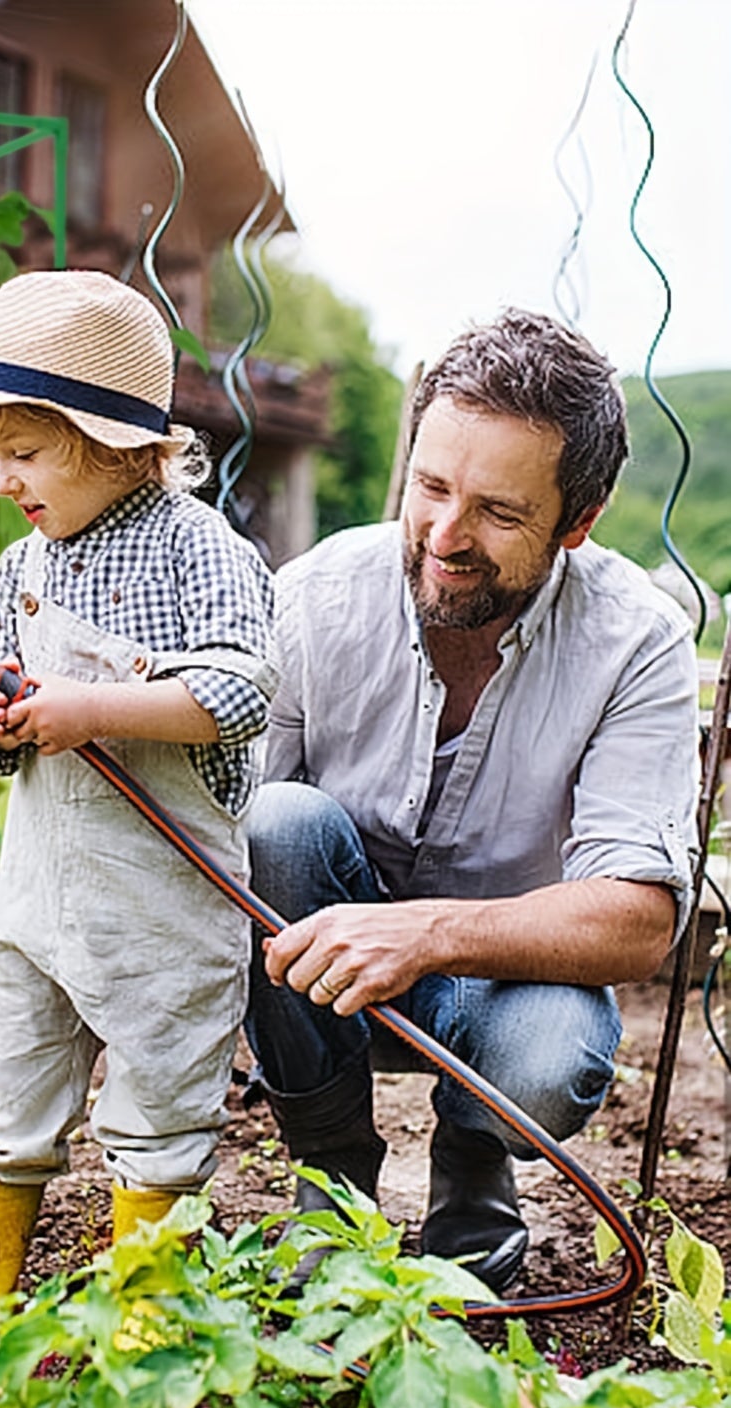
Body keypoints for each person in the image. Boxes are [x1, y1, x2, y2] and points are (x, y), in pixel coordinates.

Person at [245, 308, 700, 1292]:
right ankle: (332, 1180)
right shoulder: (318, 597)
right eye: (432, 488)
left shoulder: (638, 641)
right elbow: (225, 833)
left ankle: (473, 1174)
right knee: (275, 824)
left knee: (549, 1059)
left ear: (577, 522)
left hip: (512, 983)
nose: (445, 537)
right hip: (328, 976)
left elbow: (639, 923)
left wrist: (426, 932)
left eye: (498, 512)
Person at [0, 269, 277, 1360]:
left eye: (25, 453)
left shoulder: (204, 553)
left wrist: (88, 706)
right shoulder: (23, 564)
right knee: (9, 1079)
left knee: (159, 1095)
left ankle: (153, 1297)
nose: (3, 481)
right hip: (43, 887)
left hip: (160, 894)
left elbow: (244, 689)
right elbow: (2, 733)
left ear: (116, 443)